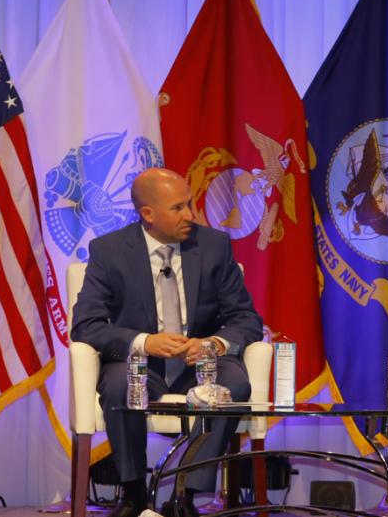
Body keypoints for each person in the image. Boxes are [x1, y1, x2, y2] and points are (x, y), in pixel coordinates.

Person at [71, 167, 263, 517]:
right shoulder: (109, 251)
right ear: (148, 214)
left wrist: (214, 344)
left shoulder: (214, 246)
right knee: (116, 384)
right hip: (142, 364)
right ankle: (133, 495)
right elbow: (86, 325)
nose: (190, 215)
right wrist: (145, 343)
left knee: (234, 381)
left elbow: (246, 319)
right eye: (179, 208)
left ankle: (185, 495)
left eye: (189, 204)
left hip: (199, 362)